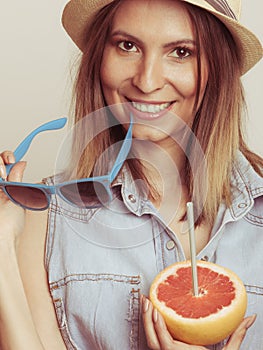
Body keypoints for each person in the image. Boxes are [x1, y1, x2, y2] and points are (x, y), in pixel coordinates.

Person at [0, 0, 262, 349]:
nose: (147, 80)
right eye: (127, 45)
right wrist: (2, 247)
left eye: (181, 52)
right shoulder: (43, 217)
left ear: (218, 68)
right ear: (100, 56)